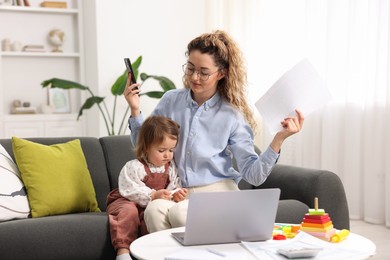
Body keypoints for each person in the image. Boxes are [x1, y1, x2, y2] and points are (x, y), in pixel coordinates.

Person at [123, 30, 304, 233]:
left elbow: (253, 176)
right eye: (190, 68)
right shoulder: (171, 100)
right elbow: (146, 147)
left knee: (178, 214)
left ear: (222, 73)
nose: (194, 76)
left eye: (203, 72)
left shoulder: (232, 115)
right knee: (154, 210)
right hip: (180, 191)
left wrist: (278, 140)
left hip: (218, 190)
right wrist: (135, 109)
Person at [106, 115, 188, 260]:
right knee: (128, 212)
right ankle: (122, 251)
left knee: (149, 220)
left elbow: (173, 185)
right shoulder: (134, 166)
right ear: (146, 147)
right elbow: (129, 189)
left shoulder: (170, 167)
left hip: (148, 207)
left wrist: (174, 195)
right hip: (127, 200)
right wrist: (153, 195)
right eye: (162, 150)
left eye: (171, 150)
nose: (167, 155)